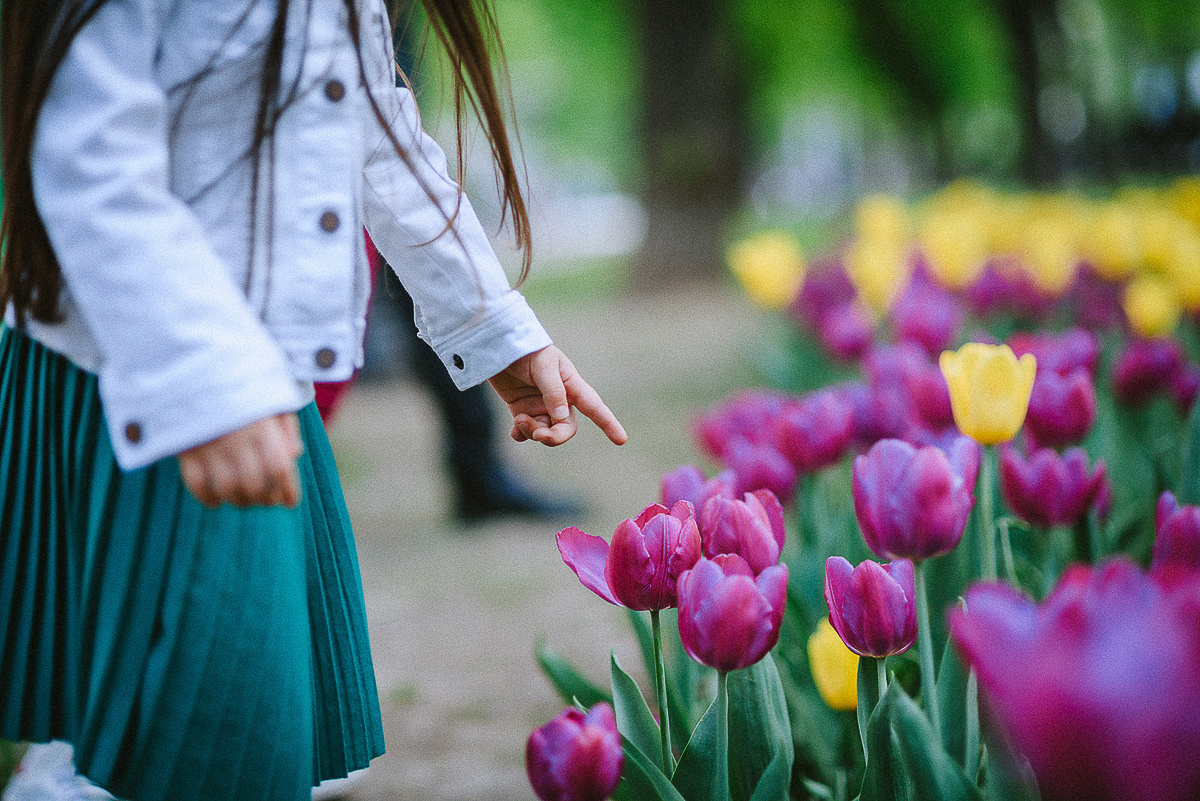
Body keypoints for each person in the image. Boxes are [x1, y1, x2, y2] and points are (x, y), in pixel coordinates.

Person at [0, 3, 626, 801]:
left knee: (221, 744)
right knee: (216, 748)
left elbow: (378, 126)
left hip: (254, 389)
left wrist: (493, 327)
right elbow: (88, 152)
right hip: (154, 380)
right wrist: (207, 383)